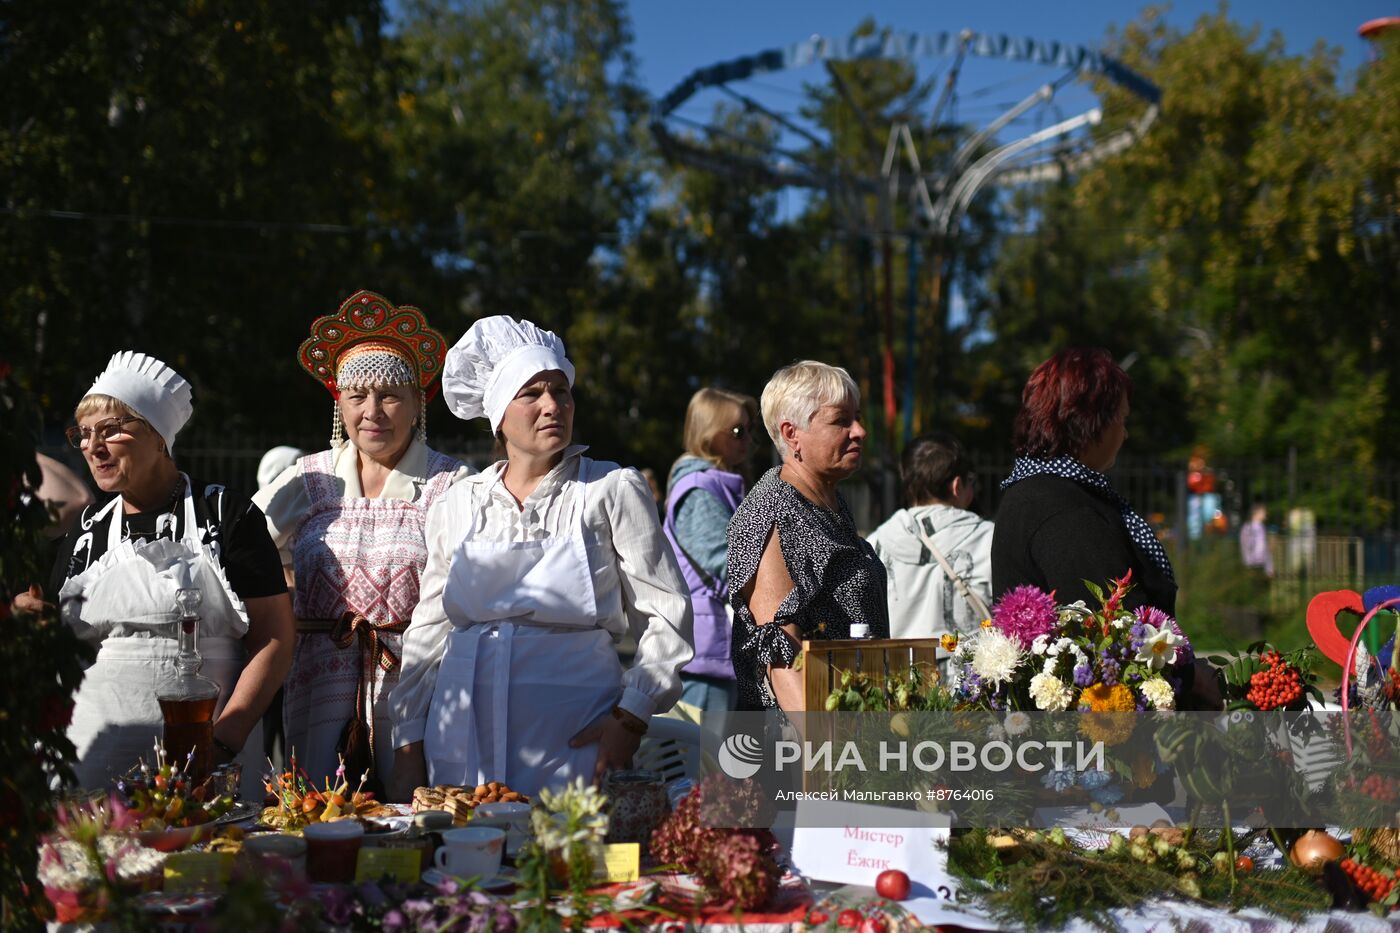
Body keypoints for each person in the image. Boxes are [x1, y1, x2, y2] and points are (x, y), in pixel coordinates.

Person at [387, 316, 693, 798]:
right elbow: (428, 632)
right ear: (498, 415)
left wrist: (630, 716)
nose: (553, 405)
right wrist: (408, 741)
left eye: (561, 391)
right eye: (531, 394)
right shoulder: (458, 503)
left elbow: (667, 614)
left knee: (568, 862)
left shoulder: (608, 489)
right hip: (461, 734)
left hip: (575, 731)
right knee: (469, 863)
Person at [16, 352, 294, 794]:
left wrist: (223, 740)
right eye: (84, 434)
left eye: (111, 429)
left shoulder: (224, 514)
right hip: (96, 756)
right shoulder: (85, 531)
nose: (93, 446)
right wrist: (32, 617)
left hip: (207, 760)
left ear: (159, 435)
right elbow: (61, 642)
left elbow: (275, 639)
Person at [254, 291, 468, 791]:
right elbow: (237, 552)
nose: (373, 411)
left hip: (416, 691)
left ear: (418, 403)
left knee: (409, 828)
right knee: (318, 820)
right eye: (357, 395)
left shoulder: (452, 485)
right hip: (315, 687)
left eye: (391, 394)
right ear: (339, 404)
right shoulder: (307, 480)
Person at [727, 361, 888, 712]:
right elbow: (780, 655)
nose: (859, 431)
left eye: (857, 417)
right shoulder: (771, 510)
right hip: (800, 751)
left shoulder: (830, 503)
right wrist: (831, 756)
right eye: (841, 420)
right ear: (791, 433)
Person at [990, 348, 1177, 614]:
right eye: (1122, 420)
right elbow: (1117, 628)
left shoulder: (1034, 488)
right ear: (1091, 423)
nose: (1124, 434)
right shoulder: (1064, 510)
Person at [662, 387, 758, 721]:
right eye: (738, 431)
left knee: (714, 763)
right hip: (704, 651)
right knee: (705, 763)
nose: (748, 438)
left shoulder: (720, 485)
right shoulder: (700, 491)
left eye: (750, 429)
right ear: (708, 434)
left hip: (715, 645)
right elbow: (728, 562)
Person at [867, 432, 993, 639]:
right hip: (969, 669)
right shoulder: (988, 538)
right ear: (957, 485)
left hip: (896, 669)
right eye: (971, 481)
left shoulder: (875, 544)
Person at [1239, 502, 1273, 578]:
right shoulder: (1248, 528)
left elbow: (1265, 548)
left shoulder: (1261, 527)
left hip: (1260, 564)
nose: (1265, 514)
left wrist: (1269, 568)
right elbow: (1246, 545)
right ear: (1257, 513)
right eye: (1263, 512)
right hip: (1253, 564)